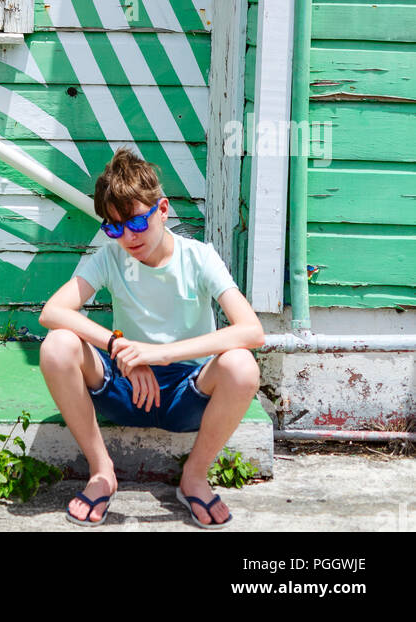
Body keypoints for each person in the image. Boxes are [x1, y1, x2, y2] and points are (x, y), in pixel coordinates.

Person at [39, 147, 265, 527]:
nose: (128, 236)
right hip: (127, 387)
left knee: (241, 365)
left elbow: (251, 330)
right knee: (57, 345)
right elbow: (53, 312)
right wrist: (120, 347)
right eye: (114, 227)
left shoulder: (199, 257)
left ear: (162, 210)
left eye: (137, 222)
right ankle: (101, 471)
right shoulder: (111, 257)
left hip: (187, 393)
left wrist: (159, 355)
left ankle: (194, 476)